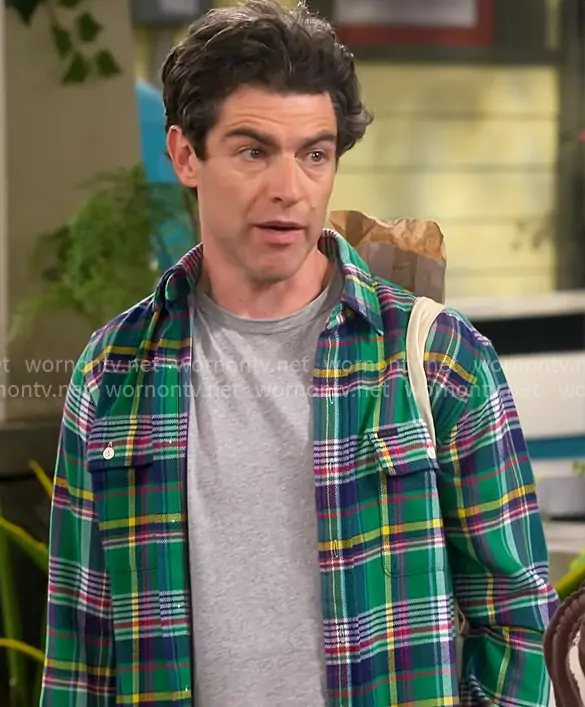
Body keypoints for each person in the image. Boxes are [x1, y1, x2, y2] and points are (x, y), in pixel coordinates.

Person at [40, 1, 558, 705]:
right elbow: (81, 649)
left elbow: (520, 623)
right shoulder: (114, 370)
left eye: (314, 154)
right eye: (253, 151)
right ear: (186, 156)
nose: (288, 189)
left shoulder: (439, 359)